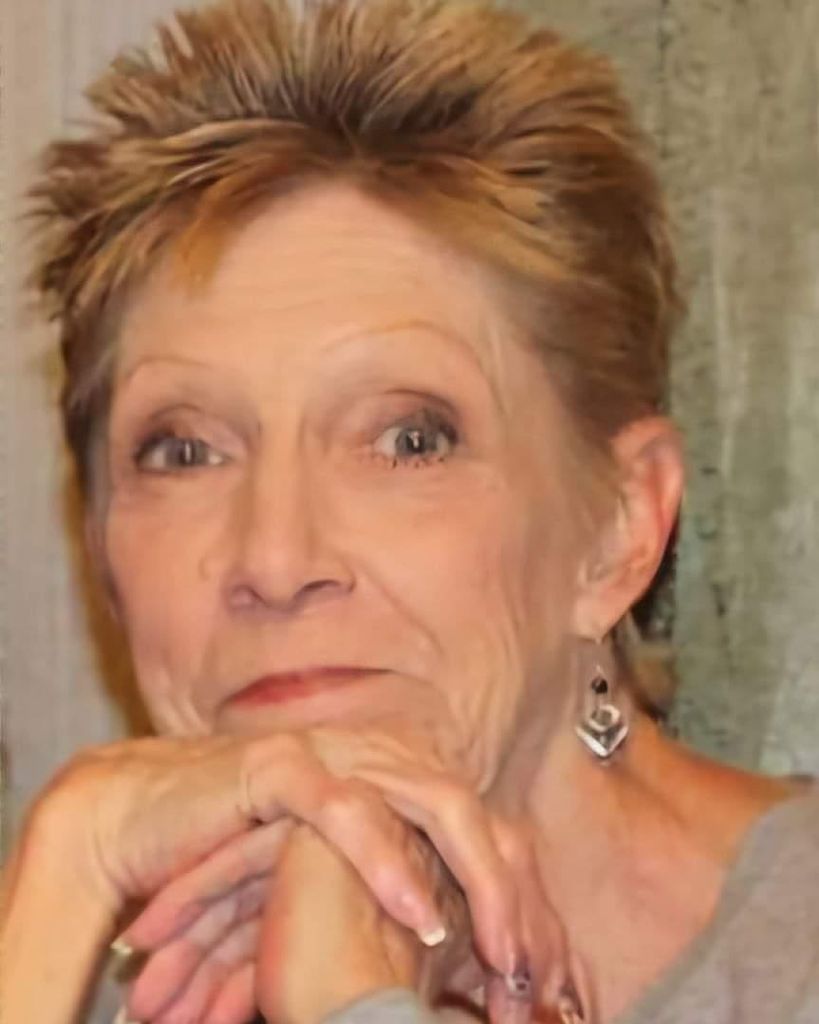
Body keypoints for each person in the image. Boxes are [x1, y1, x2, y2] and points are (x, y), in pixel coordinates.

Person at [2, 0, 817, 1022]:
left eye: (408, 440)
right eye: (185, 451)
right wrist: (60, 882)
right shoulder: (96, 972)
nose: (276, 559)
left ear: (618, 528)